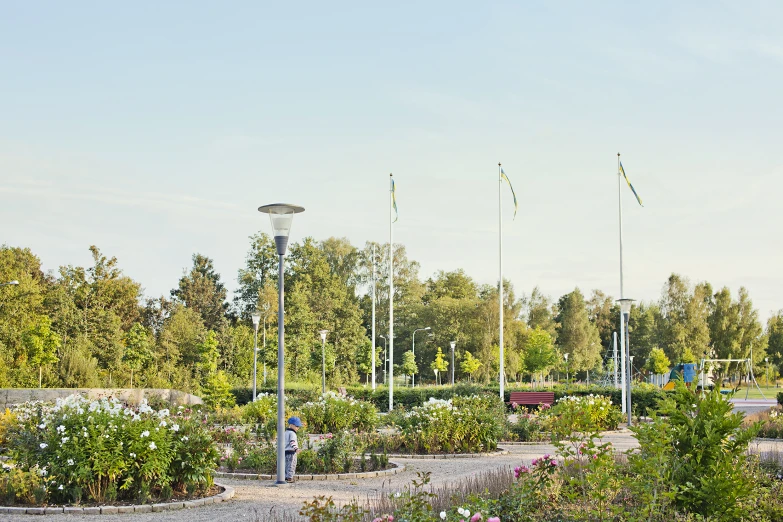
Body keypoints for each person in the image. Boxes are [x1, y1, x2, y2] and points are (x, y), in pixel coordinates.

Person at [284, 416, 302, 482]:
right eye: (297, 426)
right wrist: (296, 449)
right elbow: (292, 442)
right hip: (291, 452)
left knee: (285, 465)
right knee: (291, 465)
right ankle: (289, 478)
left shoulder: (285, 433)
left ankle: (285, 476)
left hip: (285, 452)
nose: (298, 428)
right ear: (292, 425)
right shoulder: (292, 433)